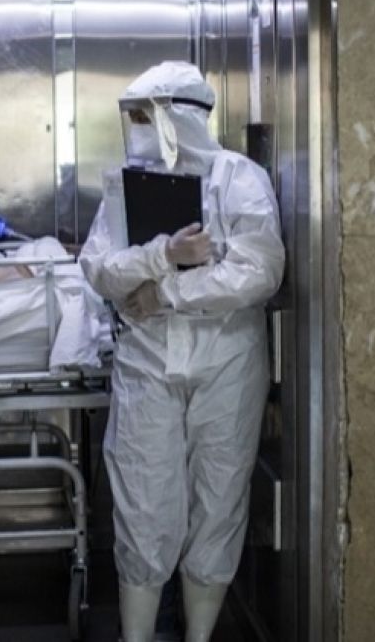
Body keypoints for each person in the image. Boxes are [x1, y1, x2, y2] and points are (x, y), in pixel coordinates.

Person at [78, 61, 284, 642]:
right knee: (142, 504)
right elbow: (98, 266)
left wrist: (165, 293)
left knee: (218, 501)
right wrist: (162, 255)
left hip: (226, 365)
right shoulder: (127, 185)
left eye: (146, 116)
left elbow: (258, 272)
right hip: (147, 365)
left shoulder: (239, 179)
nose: (138, 128)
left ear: (178, 117)